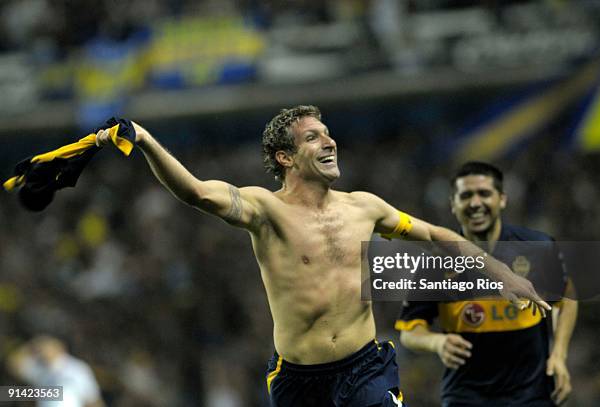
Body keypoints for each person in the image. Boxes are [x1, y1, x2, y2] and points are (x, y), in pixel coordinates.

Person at [95, 106, 549, 407]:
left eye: (328, 134)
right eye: (313, 138)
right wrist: (148, 141)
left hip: (366, 369)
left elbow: (436, 235)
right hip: (299, 382)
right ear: (286, 158)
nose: (330, 142)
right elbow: (196, 193)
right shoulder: (265, 209)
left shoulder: (365, 207)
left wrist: (499, 274)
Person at [396, 161, 578, 406]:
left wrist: (559, 354)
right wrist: (436, 342)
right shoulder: (435, 263)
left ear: (502, 199)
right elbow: (409, 331)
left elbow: (566, 297)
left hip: (531, 394)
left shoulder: (537, 247)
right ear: (453, 204)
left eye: (484, 193)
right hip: (465, 396)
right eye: (466, 195)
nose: (475, 203)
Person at [6, 335, 105, 407]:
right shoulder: (40, 368)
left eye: (48, 347)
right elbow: (13, 365)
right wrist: (31, 346)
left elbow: (93, 399)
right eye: (42, 348)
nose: (44, 351)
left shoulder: (77, 369)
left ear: (59, 347)